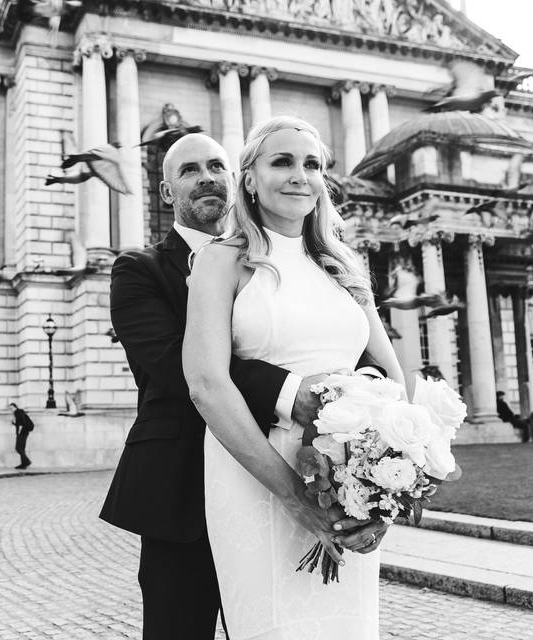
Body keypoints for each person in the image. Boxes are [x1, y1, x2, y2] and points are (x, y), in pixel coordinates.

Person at [100, 131, 385, 640]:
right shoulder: (138, 270)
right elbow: (175, 368)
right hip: (182, 485)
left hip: (306, 468)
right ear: (167, 192)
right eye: (189, 171)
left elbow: (371, 363)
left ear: (238, 180)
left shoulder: (298, 260)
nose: (207, 177)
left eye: (216, 166)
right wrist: (293, 390)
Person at [183, 116, 405, 639]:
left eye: (312, 164)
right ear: (250, 179)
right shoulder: (222, 259)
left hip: (349, 477)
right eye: (281, 161)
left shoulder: (343, 262)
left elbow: (390, 377)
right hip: (255, 472)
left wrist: (378, 496)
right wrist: (293, 496)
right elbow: (205, 383)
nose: (299, 175)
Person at [9, 402, 33, 469]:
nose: (11, 409)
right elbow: (20, 422)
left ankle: (27, 462)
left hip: (22, 433)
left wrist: (18, 431)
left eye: (11, 408)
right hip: (24, 432)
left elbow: (22, 422)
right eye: (10, 408)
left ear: (15, 407)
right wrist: (14, 423)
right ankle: (23, 465)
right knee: (21, 449)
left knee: (18, 448)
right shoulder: (19, 412)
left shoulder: (18, 412)